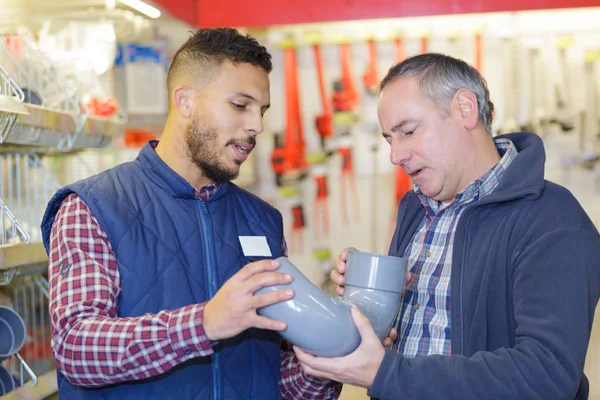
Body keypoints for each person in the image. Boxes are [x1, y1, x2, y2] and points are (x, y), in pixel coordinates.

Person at [40, 28, 342, 399]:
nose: (256, 126)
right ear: (185, 101)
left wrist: (328, 358)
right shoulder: (93, 207)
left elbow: (272, 376)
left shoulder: (263, 221)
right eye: (240, 105)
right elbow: (76, 349)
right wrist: (203, 324)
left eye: (261, 111)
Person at [294, 53, 600, 399]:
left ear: (465, 109)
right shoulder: (415, 207)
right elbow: (416, 338)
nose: (395, 155)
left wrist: (387, 373)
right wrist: (371, 308)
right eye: (389, 139)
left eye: (408, 131)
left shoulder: (554, 220)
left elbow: (546, 375)